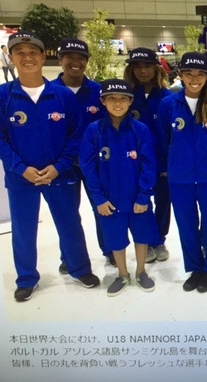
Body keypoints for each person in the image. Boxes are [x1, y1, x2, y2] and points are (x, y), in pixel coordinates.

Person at [0, 31, 100, 302]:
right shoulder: (1, 96)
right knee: (24, 229)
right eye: (20, 53)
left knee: (70, 223)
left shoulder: (62, 96)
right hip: (21, 178)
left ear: (42, 56)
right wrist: (20, 168)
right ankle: (26, 278)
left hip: (60, 174)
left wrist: (59, 166)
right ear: (11, 58)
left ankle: (80, 269)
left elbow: (76, 136)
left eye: (33, 53)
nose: (27, 58)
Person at [157, 52, 207, 293]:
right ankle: (195, 268)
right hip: (180, 178)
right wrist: (168, 169)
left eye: (200, 74)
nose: (194, 79)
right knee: (186, 224)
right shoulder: (169, 104)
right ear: (180, 75)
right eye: (189, 74)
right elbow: (163, 141)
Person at [80, 79, 158, 296]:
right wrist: (98, 198)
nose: (117, 103)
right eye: (112, 99)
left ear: (130, 101)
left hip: (137, 198)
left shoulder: (140, 130)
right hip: (109, 200)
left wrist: (144, 196)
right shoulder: (94, 131)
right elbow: (88, 167)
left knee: (142, 235)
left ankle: (141, 271)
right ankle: (122, 274)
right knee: (115, 238)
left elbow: (149, 165)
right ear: (103, 101)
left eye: (123, 99)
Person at [51, 38, 111, 271]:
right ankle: (69, 258)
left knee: (102, 208)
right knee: (67, 214)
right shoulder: (49, 92)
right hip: (62, 165)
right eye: (70, 57)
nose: (75, 62)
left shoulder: (98, 92)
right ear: (61, 59)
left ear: (87, 62)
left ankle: (111, 250)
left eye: (81, 58)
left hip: (96, 164)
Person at [123, 48, 173, 263]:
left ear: (156, 69)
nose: (142, 71)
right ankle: (146, 239)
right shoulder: (127, 97)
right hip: (134, 161)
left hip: (162, 159)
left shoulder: (167, 97)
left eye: (147, 66)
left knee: (163, 200)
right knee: (141, 200)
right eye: (137, 67)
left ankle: (159, 239)